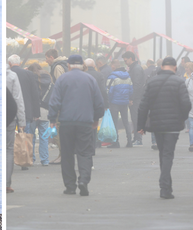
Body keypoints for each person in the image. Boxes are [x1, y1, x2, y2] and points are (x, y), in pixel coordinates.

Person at [48, 55, 105, 196]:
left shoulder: (62, 79)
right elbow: (99, 102)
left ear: (68, 65)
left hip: (66, 122)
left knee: (67, 154)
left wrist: (52, 118)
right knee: (85, 152)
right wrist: (96, 118)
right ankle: (84, 180)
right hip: (85, 122)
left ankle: (70, 186)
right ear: (82, 65)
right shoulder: (90, 79)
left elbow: (54, 101)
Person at [137, 57, 191, 199]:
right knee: (168, 154)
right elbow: (186, 104)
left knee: (163, 153)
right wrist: (182, 118)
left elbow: (143, 105)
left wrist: (140, 125)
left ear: (162, 67)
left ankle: (166, 184)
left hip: (157, 124)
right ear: (174, 67)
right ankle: (165, 186)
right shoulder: (179, 82)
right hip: (173, 125)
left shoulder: (151, 82)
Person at [8, 55, 41, 169]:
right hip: (26, 110)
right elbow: (35, 94)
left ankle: (10, 160)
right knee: (25, 134)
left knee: (9, 136)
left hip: (9, 110)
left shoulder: (7, 74)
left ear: (9, 63)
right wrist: (36, 113)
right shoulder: (29, 74)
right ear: (20, 63)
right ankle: (25, 160)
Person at [6, 66, 25, 193]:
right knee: (8, 149)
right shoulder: (11, 76)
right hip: (9, 117)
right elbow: (18, 99)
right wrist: (22, 120)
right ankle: (6, 183)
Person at [106, 58, 133, 148]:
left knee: (114, 122)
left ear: (113, 66)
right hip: (124, 102)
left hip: (114, 102)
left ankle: (115, 142)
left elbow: (109, 91)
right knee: (126, 122)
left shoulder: (112, 77)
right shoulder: (128, 76)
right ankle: (129, 141)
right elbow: (131, 89)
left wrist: (108, 100)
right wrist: (129, 99)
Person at [122, 51, 146, 146]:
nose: (125, 62)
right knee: (134, 118)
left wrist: (132, 98)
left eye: (126, 60)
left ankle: (138, 139)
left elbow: (136, 85)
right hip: (137, 97)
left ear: (131, 58)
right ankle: (137, 138)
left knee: (136, 118)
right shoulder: (134, 68)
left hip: (137, 98)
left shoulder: (136, 69)